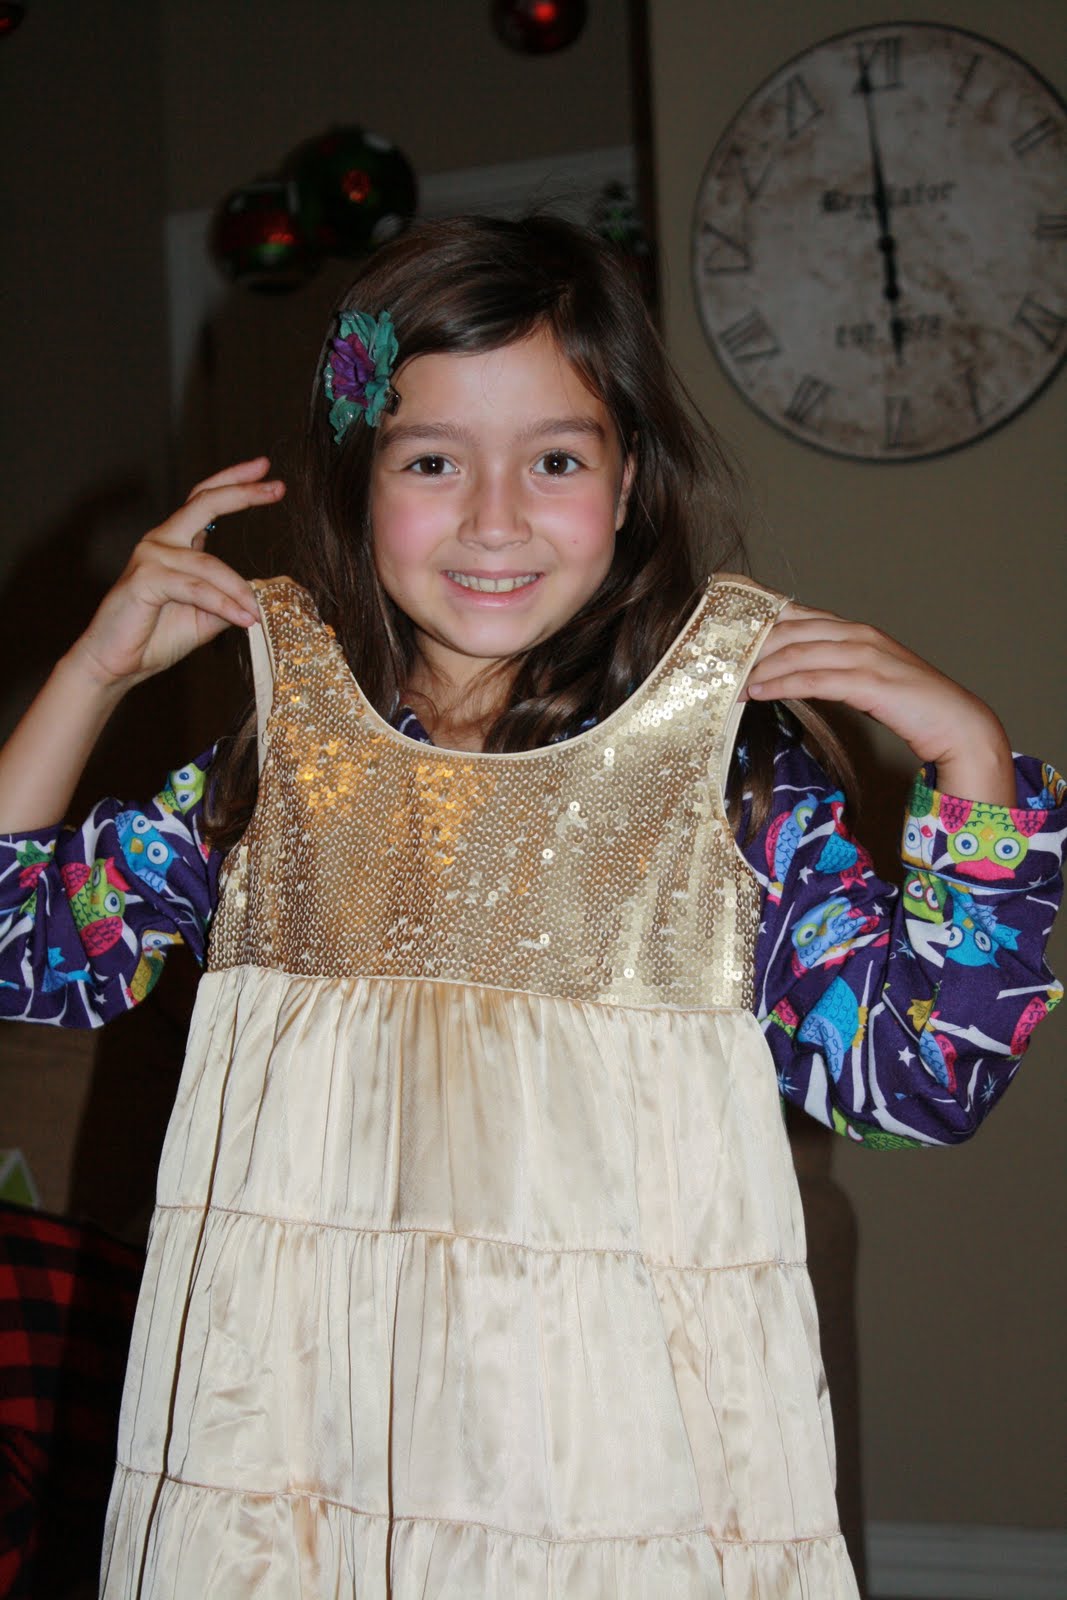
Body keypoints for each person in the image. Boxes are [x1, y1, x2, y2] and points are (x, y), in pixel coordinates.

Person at [0, 215, 1062, 1598]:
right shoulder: (282, 769)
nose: (493, 518)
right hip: (300, 1471)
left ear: (628, 485)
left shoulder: (724, 781)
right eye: (433, 461)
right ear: (358, 485)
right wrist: (89, 675)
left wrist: (971, 756)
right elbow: (22, 955)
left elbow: (920, 1080)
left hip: (612, 1486)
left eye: (554, 460)